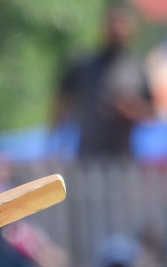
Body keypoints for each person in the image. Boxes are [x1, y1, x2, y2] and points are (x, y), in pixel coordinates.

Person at [54, 4, 153, 157]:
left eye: (122, 25)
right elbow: (62, 103)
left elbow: (152, 114)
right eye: (113, 25)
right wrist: (55, 143)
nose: (117, 30)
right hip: (88, 157)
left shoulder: (137, 70)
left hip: (122, 159)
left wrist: (133, 110)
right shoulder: (83, 66)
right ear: (103, 28)